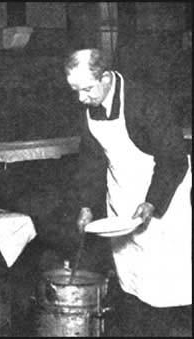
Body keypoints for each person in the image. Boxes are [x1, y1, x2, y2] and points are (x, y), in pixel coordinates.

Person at [65, 48, 191, 336]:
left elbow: (174, 159)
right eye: (75, 91)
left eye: (86, 89)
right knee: (131, 280)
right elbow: (91, 160)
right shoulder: (88, 107)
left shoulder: (146, 101)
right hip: (122, 197)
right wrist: (86, 205)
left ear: (106, 78)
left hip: (164, 197)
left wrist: (152, 203)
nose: (81, 98)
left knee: (163, 285)